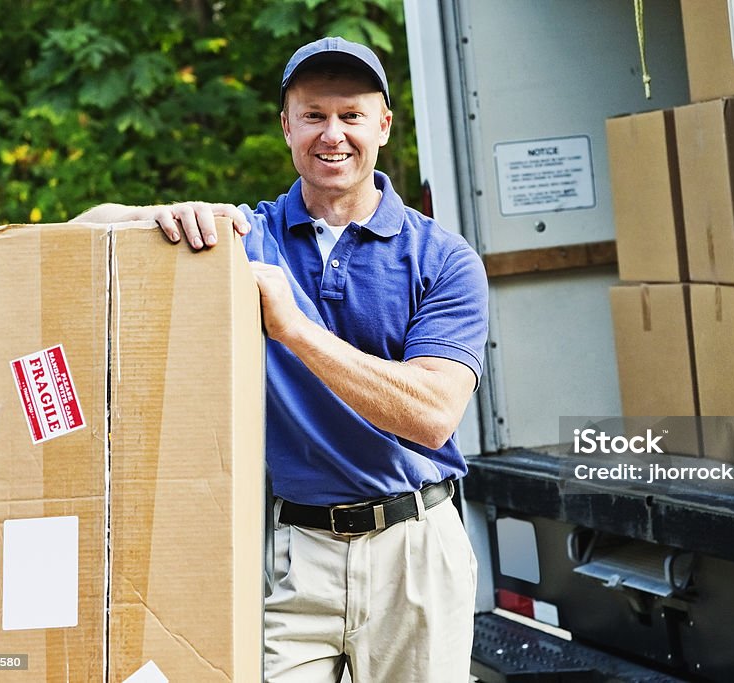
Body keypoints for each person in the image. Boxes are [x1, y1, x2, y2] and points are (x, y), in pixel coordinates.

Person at [74, 37, 488, 683]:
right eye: (314, 114)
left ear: (383, 124)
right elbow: (80, 231)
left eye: (351, 115)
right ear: (286, 126)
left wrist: (292, 326)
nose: (333, 134)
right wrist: (163, 217)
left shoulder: (442, 258)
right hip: (294, 552)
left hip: (415, 547)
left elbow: (433, 413)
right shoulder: (246, 235)